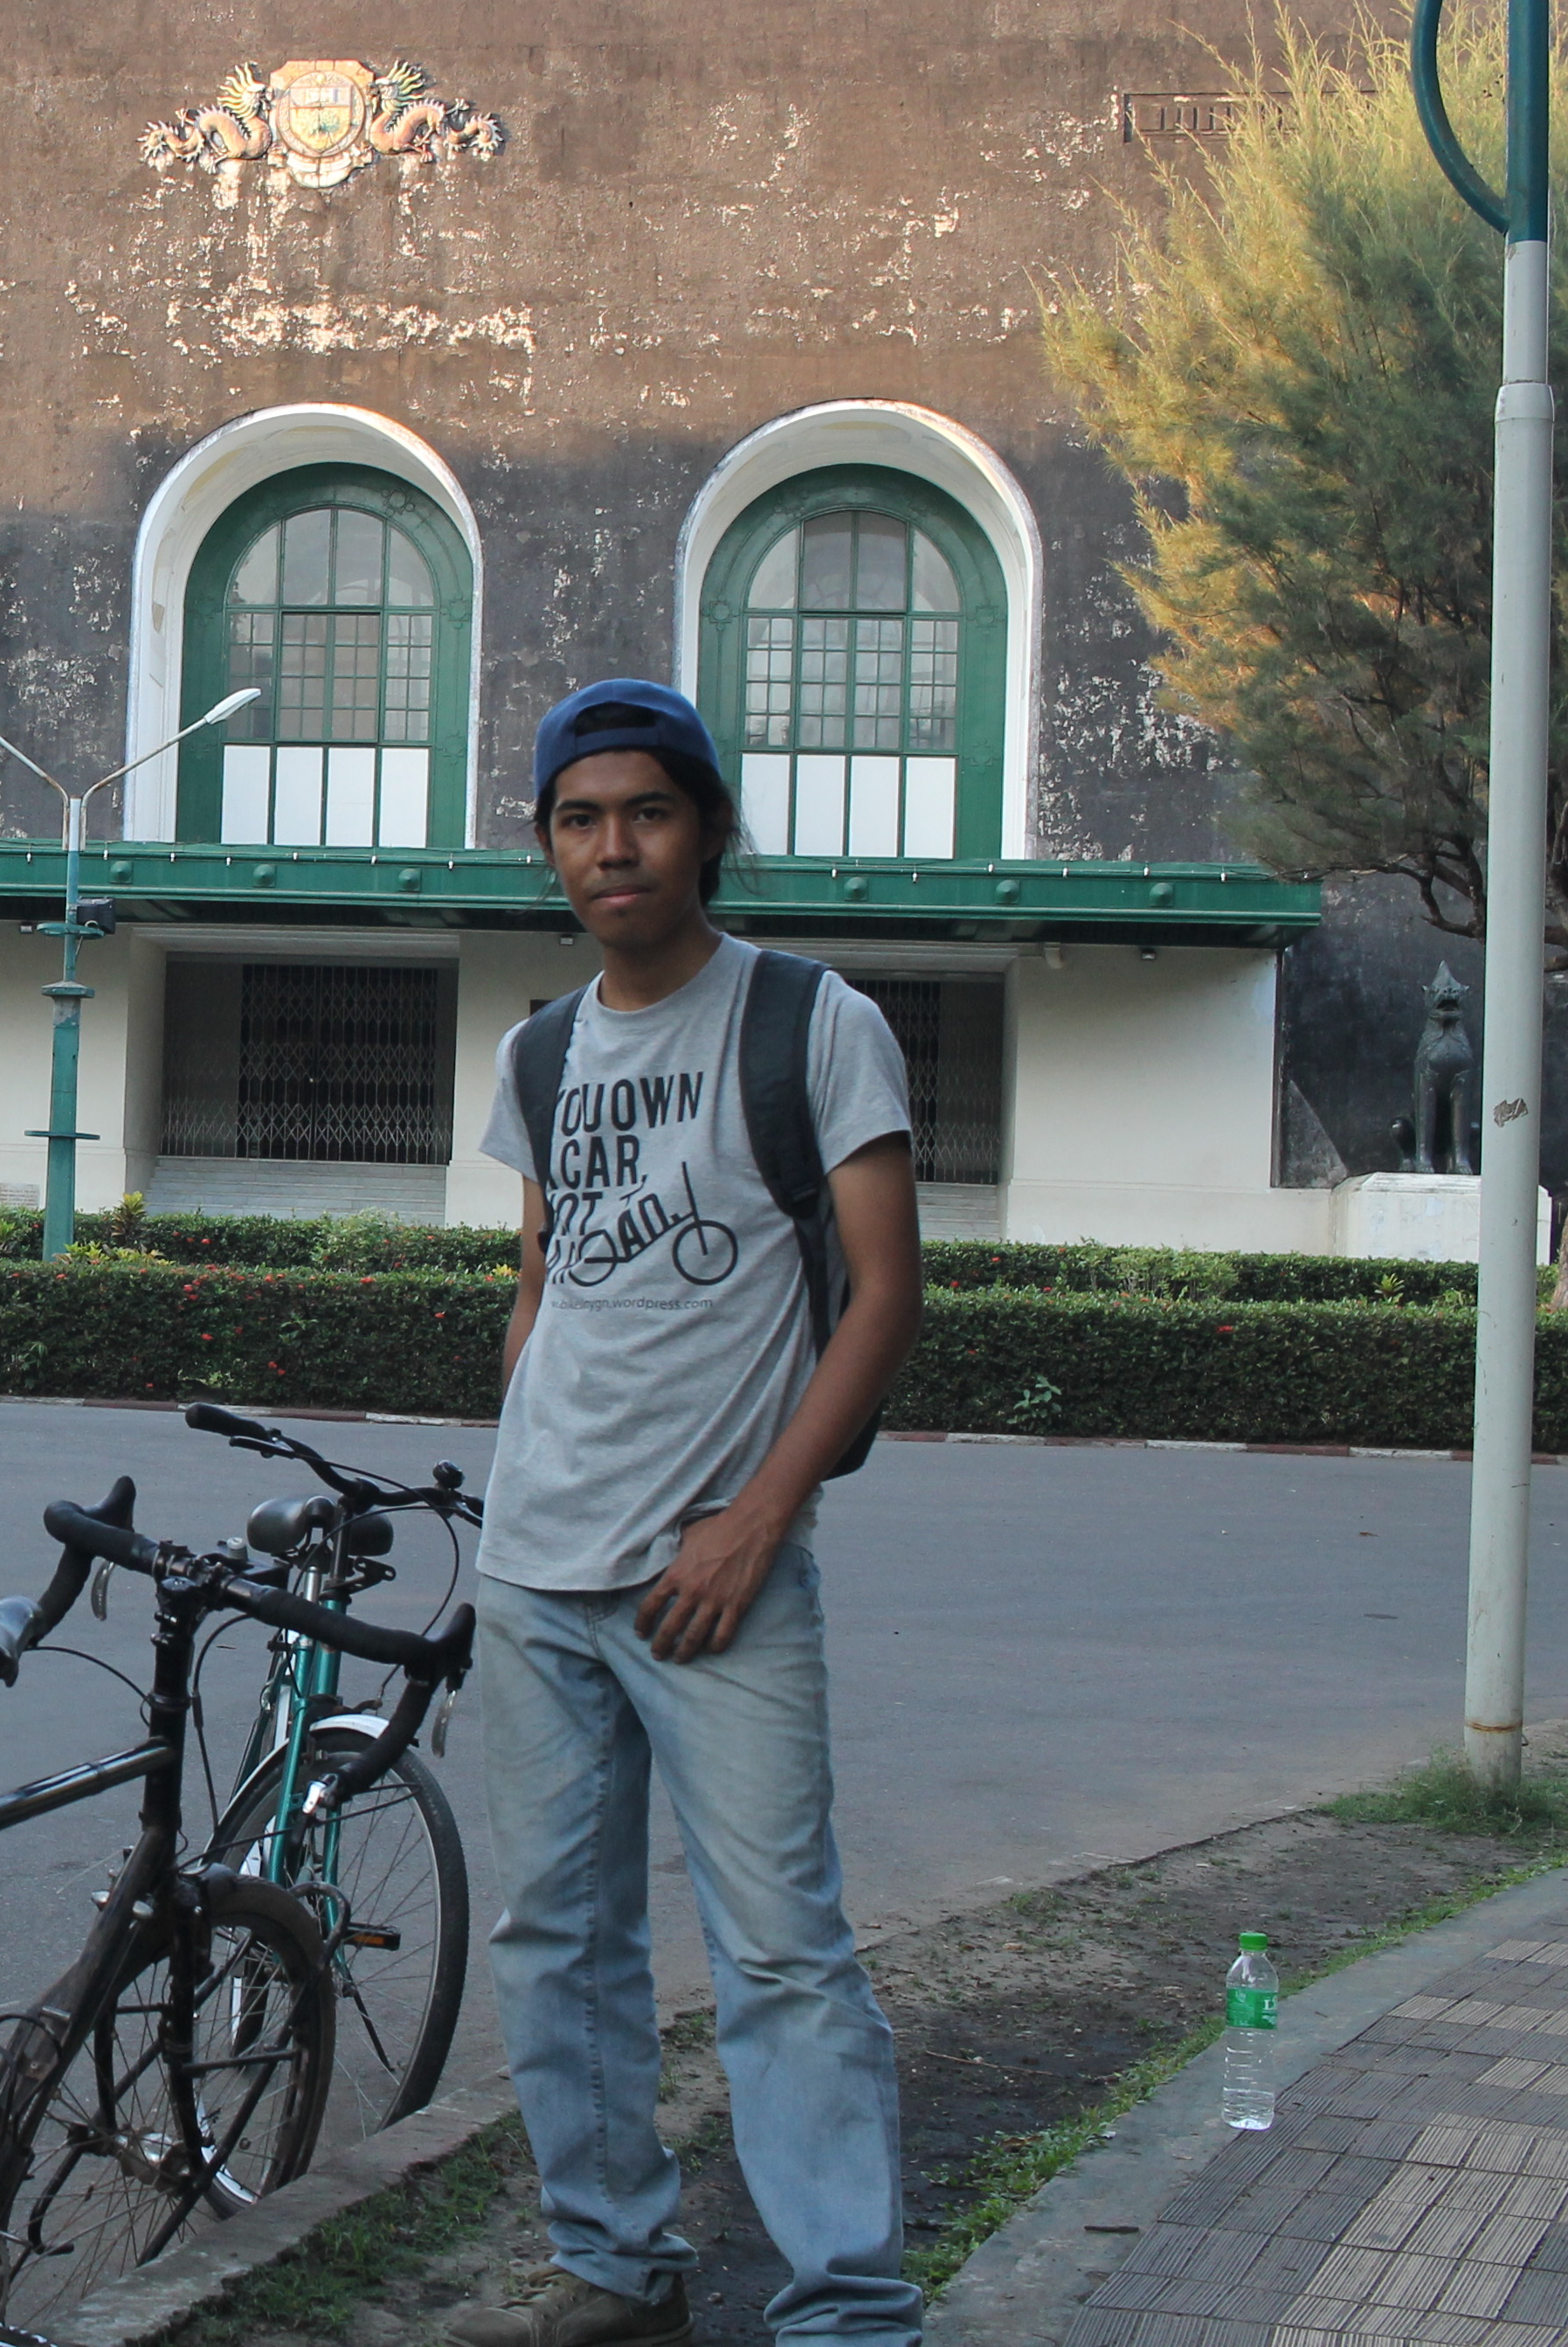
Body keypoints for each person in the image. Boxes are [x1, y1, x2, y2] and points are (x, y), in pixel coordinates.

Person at [449, 682, 926, 2347]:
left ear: (708, 827)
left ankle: (849, 2310)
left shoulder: (810, 1020)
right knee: (555, 1941)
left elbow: (883, 1296)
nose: (612, 847)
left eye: (644, 812)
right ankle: (612, 2264)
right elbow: (540, 1278)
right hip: (536, 1569)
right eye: (578, 821)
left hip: (718, 1575)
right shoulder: (541, 1050)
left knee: (784, 1954)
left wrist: (755, 1520)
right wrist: (523, 1457)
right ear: (549, 848)